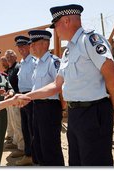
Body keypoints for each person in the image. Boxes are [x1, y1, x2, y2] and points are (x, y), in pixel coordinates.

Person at [17, 4, 114, 166]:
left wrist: (113, 109)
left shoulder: (90, 40)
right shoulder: (68, 51)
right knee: (77, 162)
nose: (55, 30)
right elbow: (56, 85)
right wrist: (27, 96)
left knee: (95, 162)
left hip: (94, 113)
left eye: (56, 25)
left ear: (66, 21)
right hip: (75, 115)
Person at [27, 30, 64, 166]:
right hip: (37, 107)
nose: (31, 47)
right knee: (38, 144)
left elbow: (61, 86)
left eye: (34, 44)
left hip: (49, 108)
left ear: (44, 44)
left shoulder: (53, 62)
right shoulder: (38, 63)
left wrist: (63, 108)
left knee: (50, 146)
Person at [14, 35, 36, 166]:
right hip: (22, 97)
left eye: (23, 46)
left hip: (31, 97)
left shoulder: (33, 62)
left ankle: (32, 155)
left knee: (31, 128)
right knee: (25, 128)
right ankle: (28, 153)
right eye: (19, 47)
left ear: (29, 46)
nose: (21, 49)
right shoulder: (21, 63)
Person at [4, 49, 25, 158]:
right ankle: (16, 142)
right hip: (10, 99)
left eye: (11, 55)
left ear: (15, 57)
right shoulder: (10, 69)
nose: (9, 57)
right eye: (7, 56)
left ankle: (22, 148)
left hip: (17, 99)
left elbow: (21, 84)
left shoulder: (18, 67)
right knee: (13, 123)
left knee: (18, 124)